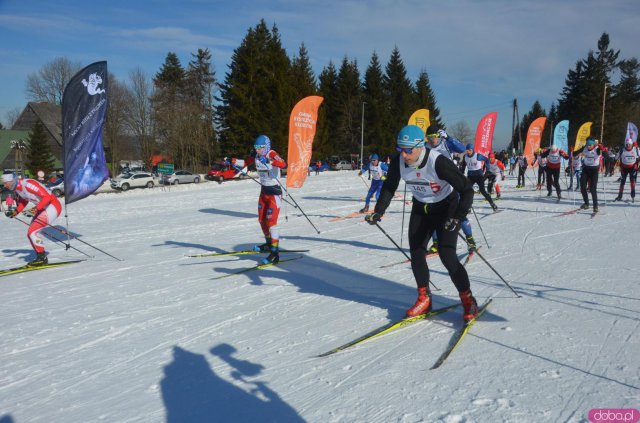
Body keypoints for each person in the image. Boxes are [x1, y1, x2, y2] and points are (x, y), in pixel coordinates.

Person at [365, 125, 478, 321]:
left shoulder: (438, 161)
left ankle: (468, 299)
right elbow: (390, 186)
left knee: (446, 255)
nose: (404, 154)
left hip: (446, 208)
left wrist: (458, 217)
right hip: (421, 208)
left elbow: (467, 189)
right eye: (401, 149)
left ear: (419, 146)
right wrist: (378, 211)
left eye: (408, 150)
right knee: (416, 252)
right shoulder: (399, 161)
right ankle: (424, 298)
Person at [423, 126, 478, 253]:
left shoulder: (446, 143)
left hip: (452, 182)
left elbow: (462, 149)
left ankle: (470, 240)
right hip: (435, 184)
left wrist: (449, 137)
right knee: (434, 214)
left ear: (439, 136)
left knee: (459, 213)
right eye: (429, 137)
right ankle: (436, 243)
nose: (431, 140)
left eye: (434, 137)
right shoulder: (426, 146)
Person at [1, 172, 62, 266]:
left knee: (32, 232)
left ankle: (42, 258)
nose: (5, 185)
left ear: (12, 181)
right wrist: (15, 212)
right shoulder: (17, 188)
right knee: (30, 233)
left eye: (6, 183)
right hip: (42, 208)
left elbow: (47, 197)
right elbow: (24, 201)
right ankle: (40, 256)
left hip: (53, 206)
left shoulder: (28, 184)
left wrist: (34, 210)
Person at [251, 135, 287, 264]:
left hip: (274, 192)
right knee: (262, 219)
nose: (257, 150)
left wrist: (269, 160)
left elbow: (283, 164)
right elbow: (245, 162)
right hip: (264, 191)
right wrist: (232, 161)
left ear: (266, 146)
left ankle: (275, 253)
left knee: (271, 221)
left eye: (259, 148)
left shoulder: (271, 153)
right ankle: (268, 243)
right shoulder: (256, 155)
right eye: (255, 148)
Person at [461, 143, 498, 211]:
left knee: (482, 191)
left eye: (469, 150)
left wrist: (488, 170)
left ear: (472, 150)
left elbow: (487, 160)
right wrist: (462, 172)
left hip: (479, 176)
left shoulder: (477, 156)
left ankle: (493, 204)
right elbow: (463, 164)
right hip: (470, 176)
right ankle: (469, 207)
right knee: (468, 191)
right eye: (467, 150)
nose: (468, 151)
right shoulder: (465, 157)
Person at [574, 138, 602, 212]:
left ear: (593, 144)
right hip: (586, 169)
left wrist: (602, 149)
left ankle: (595, 206)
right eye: (587, 145)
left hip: (594, 170)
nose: (588, 146)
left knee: (592, 189)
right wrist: (573, 152)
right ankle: (586, 203)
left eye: (590, 145)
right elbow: (575, 153)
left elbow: (602, 153)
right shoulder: (585, 148)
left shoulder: (596, 149)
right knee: (582, 187)